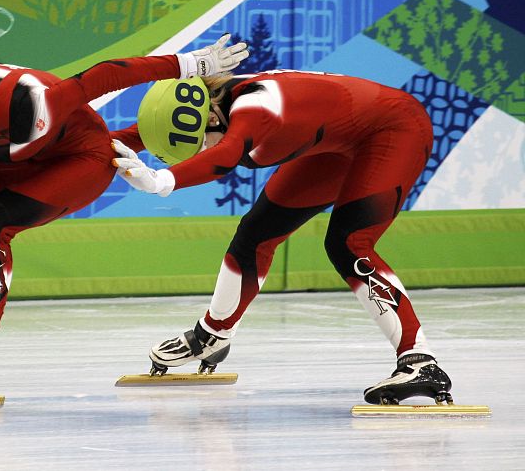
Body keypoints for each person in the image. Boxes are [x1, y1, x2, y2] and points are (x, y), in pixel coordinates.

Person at [0, 35, 248, 395]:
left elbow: (103, 76)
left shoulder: (25, 102)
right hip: (16, 158)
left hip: (80, 159)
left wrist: (192, 64)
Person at [112, 70, 453, 405]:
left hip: (394, 129)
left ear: (214, 117)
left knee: (349, 244)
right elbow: (125, 139)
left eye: (198, 142)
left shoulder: (256, 108)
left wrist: (162, 181)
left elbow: (226, 154)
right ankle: (212, 335)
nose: (199, 151)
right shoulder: (205, 111)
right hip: (337, 140)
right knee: (256, 234)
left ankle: (420, 361)